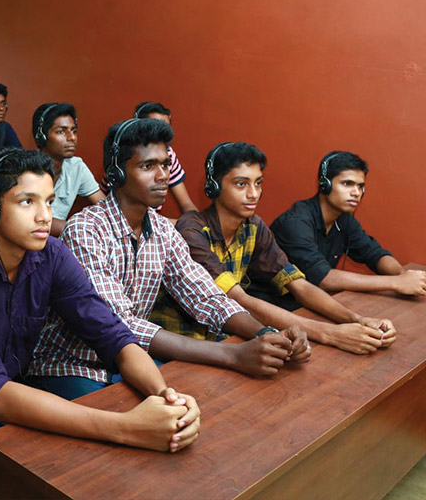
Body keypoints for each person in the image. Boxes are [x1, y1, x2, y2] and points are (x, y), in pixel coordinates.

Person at [0, 147, 200, 500]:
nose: (44, 216)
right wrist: (127, 428)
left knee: (94, 480)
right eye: (27, 202)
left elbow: (113, 335)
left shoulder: (51, 254)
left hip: (3, 406)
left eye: (49, 202)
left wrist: (165, 398)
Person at [28, 120, 310, 402]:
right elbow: (118, 324)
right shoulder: (85, 229)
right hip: (72, 364)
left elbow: (206, 297)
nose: (163, 175)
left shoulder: (163, 230)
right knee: (138, 416)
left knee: (206, 400)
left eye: (165, 164)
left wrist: (267, 333)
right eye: (148, 166)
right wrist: (232, 354)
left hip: (131, 359)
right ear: (117, 173)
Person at [168, 142, 395, 356]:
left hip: (226, 337)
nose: (253, 193)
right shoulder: (192, 231)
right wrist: (329, 333)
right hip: (182, 344)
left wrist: (357, 320)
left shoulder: (253, 226)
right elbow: (237, 299)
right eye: (241, 184)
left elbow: (298, 285)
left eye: (258, 183)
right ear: (214, 187)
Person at [271, 150, 426, 297]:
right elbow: (324, 278)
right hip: (277, 305)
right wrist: (396, 283)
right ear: (325, 185)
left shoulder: (344, 220)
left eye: (360, 186)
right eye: (347, 184)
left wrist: (402, 275)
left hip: (312, 302)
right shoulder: (296, 223)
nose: (356, 193)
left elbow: (374, 254)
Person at [31, 102, 104, 236]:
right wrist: (78, 229)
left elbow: (105, 207)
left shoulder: (76, 166)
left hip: (60, 239)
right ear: (42, 137)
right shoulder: (27, 171)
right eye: (61, 132)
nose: (72, 138)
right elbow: (32, 220)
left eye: (74, 131)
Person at [133, 101, 198, 215]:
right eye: (154, 128)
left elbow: (186, 203)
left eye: (165, 129)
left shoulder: (169, 154)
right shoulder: (126, 154)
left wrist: (196, 223)